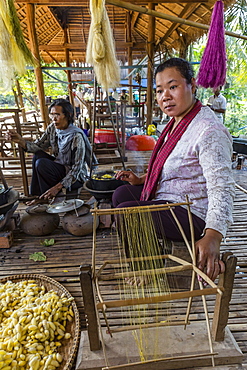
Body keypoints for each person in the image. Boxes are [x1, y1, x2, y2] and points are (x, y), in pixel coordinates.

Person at [113, 58, 235, 284]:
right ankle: (151, 257)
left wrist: (213, 236)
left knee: (126, 214)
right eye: (159, 91)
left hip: (192, 212)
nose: (165, 96)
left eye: (173, 87)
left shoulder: (209, 131)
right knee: (120, 195)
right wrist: (143, 179)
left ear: (192, 85)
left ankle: (148, 269)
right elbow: (172, 162)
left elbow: (223, 188)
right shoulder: (177, 123)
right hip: (170, 198)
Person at [6, 98, 96, 203]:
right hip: (61, 166)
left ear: (68, 115)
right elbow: (38, 146)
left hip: (76, 177)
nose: (54, 119)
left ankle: (47, 198)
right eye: (52, 115)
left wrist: (57, 188)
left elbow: (76, 169)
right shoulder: (53, 128)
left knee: (42, 163)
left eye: (57, 115)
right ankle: (38, 196)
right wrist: (20, 140)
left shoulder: (76, 136)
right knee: (38, 156)